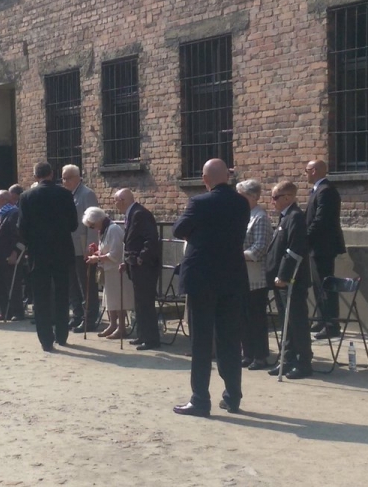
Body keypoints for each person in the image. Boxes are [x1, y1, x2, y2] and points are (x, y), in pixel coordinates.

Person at [171, 159, 250, 417]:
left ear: (205, 179)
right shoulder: (241, 203)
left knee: (201, 342)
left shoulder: (200, 202)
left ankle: (200, 399)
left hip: (202, 278)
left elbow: (179, 229)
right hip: (232, 277)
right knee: (229, 339)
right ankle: (232, 396)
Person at [18, 161, 78, 352]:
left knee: (41, 296)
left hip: (38, 251)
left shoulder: (26, 196)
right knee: (62, 292)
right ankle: (62, 334)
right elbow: (74, 224)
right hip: (61, 250)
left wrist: (31, 242)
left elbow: (22, 227)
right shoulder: (65, 194)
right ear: (52, 174)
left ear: (35, 176)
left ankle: (46, 339)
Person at [266, 180, 313, 380]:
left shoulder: (295, 217)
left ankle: (303, 363)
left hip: (291, 280)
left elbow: (295, 250)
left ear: (288, 197)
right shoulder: (284, 218)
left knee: (297, 321)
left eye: (275, 197)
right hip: (279, 280)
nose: (272, 201)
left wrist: (284, 275)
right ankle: (286, 359)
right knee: (285, 320)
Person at [114, 188, 161, 350]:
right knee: (139, 303)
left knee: (146, 303)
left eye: (116, 201)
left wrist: (142, 258)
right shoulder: (132, 214)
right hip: (134, 265)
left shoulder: (139, 214)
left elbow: (151, 239)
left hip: (145, 267)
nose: (115, 204)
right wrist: (127, 262)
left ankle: (151, 339)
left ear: (123, 200)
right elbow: (131, 241)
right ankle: (142, 335)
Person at [305, 160, 346, 339]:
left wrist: (305, 237)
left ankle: (331, 325)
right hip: (316, 246)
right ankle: (322, 319)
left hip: (324, 246)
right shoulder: (316, 190)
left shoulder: (326, 191)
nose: (305, 174)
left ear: (314, 171)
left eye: (307, 170)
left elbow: (320, 220)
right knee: (318, 284)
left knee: (326, 284)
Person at [235, 179, 273, 370]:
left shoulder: (260, 217)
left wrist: (236, 255)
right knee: (242, 317)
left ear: (252, 197)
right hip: (240, 275)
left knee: (256, 317)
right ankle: (247, 352)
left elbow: (260, 248)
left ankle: (260, 356)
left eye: (240, 196)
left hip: (256, 277)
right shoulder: (241, 215)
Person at [84, 207, 134, 339]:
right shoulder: (104, 230)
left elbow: (115, 254)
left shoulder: (113, 229)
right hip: (108, 270)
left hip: (116, 270)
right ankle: (112, 324)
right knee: (110, 298)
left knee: (118, 299)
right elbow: (105, 249)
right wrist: (96, 251)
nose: (93, 228)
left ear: (98, 220)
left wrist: (98, 258)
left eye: (92, 225)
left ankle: (121, 327)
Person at [61, 164, 100, 332]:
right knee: (72, 284)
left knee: (86, 284)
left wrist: (91, 247)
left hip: (82, 246)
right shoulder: (66, 195)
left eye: (68, 178)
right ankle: (77, 315)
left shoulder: (87, 194)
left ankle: (89, 318)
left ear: (78, 177)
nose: (65, 181)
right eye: (63, 178)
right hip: (68, 247)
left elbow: (93, 222)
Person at [0, 190, 25, 321]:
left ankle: (17, 312)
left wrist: (15, 252)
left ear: (6, 200)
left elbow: (18, 235)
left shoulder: (14, 213)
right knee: (1, 284)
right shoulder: (2, 214)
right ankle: (5, 311)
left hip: (10, 255)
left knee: (12, 284)